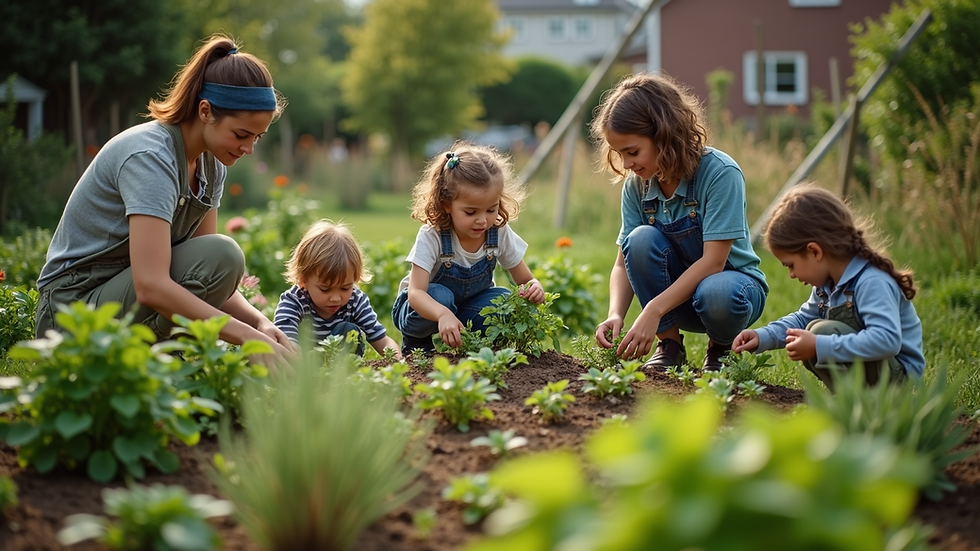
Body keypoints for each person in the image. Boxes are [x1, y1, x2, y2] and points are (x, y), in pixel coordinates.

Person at [34, 33, 294, 371]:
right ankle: (145, 362)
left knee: (223, 257)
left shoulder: (210, 163)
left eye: (256, 137)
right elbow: (151, 286)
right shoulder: (151, 157)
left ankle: (151, 362)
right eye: (241, 134)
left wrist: (260, 324)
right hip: (71, 313)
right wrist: (244, 337)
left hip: (117, 300)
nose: (249, 149)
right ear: (205, 111)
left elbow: (211, 273)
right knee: (225, 253)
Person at [590, 73, 769, 371]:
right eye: (620, 154)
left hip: (731, 293)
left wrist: (653, 309)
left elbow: (714, 262)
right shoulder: (638, 186)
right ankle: (670, 346)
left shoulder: (720, 173)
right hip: (677, 302)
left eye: (633, 152)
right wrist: (615, 314)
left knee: (716, 292)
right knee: (639, 239)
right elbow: (624, 262)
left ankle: (721, 349)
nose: (626, 164)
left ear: (664, 135)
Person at [732, 184, 924, 389]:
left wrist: (818, 345)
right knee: (810, 330)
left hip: (901, 382)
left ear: (815, 251)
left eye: (791, 265)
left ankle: (867, 404)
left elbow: (886, 340)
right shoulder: (828, 285)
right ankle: (851, 403)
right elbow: (803, 318)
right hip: (879, 372)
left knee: (819, 332)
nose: (792, 274)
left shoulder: (871, 282)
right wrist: (763, 337)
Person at [392, 142, 545, 355]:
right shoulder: (433, 235)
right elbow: (416, 293)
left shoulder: (498, 232)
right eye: (471, 212)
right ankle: (418, 344)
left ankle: (473, 344)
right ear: (447, 204)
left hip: (467, 308)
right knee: (441, 296)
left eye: (491, 209)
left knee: (503, 299)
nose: (482, 220)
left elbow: (525, 279)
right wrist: (443, 314)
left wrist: (534, 286)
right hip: (420, 310)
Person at [274, 219, 401, 359]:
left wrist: (397, 361)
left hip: (341, 369)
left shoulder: (355, 300)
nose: (336, 298)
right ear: (303, 280)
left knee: (347, 330)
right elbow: (285, 341)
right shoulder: (294, 300)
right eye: (325, 289)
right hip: (303, 366)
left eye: (345, 288)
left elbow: (382, 339)